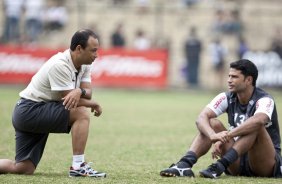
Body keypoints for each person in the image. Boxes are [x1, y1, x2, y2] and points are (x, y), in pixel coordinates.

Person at [0, 29, 106, 178]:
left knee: (23, 167)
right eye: (93, 51)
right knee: (81, 112)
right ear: (79, 49)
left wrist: (79, 92)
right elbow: (70, 100)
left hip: (31, 110)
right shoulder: (60, 65)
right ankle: (78, 166)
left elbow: (87, 93)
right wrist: (92, 103)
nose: (96, 55)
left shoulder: (85, 63)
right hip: (30, 110)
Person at [160, 59, 282, 178]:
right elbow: (201, 118)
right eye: (229, 76)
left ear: (248, 80)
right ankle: (184, 164)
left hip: (263, 162)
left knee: (256, 126)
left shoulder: (265, 99)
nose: (229, 80)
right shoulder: (227, 97)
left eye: (234, 77)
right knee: (211, 122)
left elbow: (259, 120)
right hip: (236, 160)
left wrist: (227, 135)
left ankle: (219, 166)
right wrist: (213, 135)